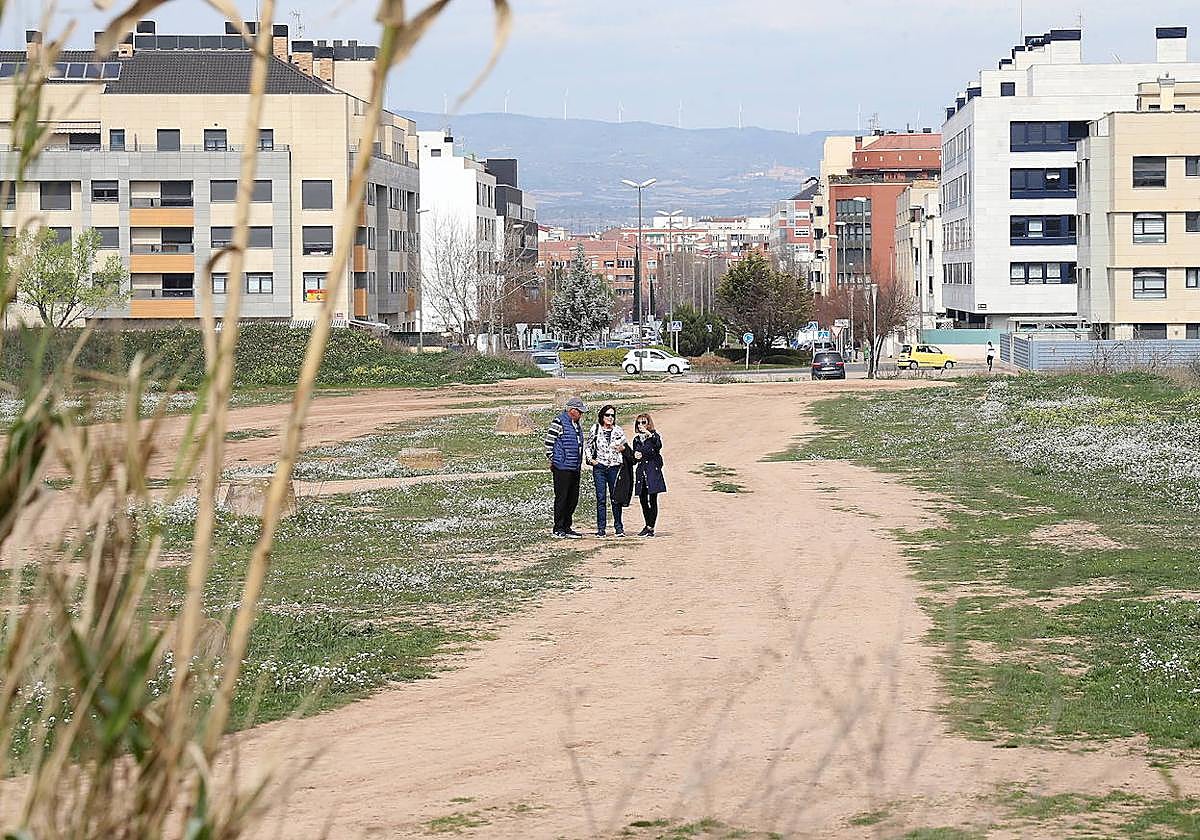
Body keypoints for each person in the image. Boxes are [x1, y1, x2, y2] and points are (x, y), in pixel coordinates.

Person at [543, 396, 586, 538]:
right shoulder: (559, 422)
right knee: (562, 498)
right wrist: (555, 460)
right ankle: (558, 527)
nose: (581, 414)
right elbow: (549, 443)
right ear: (572, 410)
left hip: (575, 466)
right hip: (562, 467)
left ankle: (567, 526)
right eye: (580, 411)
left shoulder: (576, 424)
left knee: (573, 498)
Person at [585, 404, 629, 536]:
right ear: (602, 416)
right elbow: (588, 446)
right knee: (601, 498)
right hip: (600, 467)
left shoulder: (619, 430)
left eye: (612, 415)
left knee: (615, 498)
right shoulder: (596, 428)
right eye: (607, 415)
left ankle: (618, 527)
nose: (610, 418)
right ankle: (601, 528)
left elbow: (625, 447)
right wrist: (591, 460)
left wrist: (623, 449)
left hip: (615, 467)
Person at [632, 412, 666, 537]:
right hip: (642, 472)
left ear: (648, 423)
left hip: (652, 471)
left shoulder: (654, 436)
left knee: (653, 499)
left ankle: (651, 527)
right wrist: (635, 456)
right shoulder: (636, 439)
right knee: (643, 500)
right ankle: (648, 525)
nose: (641, 425)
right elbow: (635, 458)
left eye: (643, 422)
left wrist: (649, 435)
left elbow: (658, 446)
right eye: (639, 423)